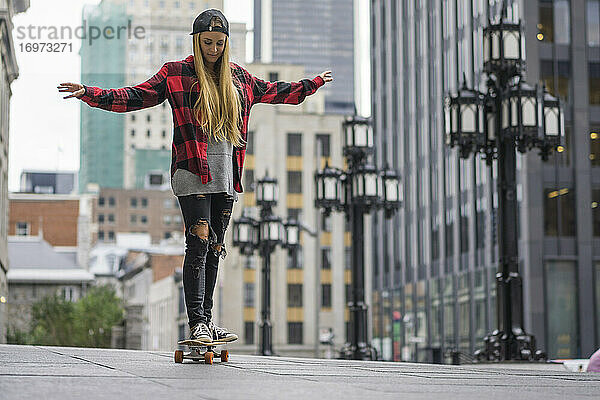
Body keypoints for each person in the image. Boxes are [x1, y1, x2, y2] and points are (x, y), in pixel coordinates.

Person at [58, 9, 332, 344]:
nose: (213, 49)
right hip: (192, 172)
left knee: (215, 248)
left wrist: (312, 84)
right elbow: (135, 96)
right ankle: (197, 323)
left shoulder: (240, 78)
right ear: (196, 41)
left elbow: (278, 91)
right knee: (198, 242)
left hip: (225, 175)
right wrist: (90, 93)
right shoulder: (176, 73)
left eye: (219, 43)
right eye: (207, 42)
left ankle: (207, 321)